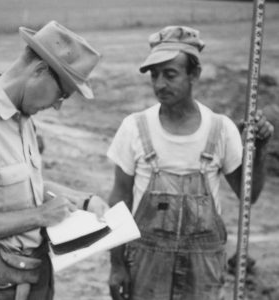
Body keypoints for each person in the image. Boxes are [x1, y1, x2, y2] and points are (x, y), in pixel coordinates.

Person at [108, 26, 274, 300]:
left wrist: (261, 150)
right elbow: (119, 200)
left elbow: (249, 196)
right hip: (147, 265)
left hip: (203, 269)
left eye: (170, 74)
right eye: (154, 75)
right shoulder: (134, 128)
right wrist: (116, 265)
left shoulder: (221, 129)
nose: (160, 84)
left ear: (194, 74)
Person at [0, 20, 109, 300]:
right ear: (39, 71)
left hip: (30, 278)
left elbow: (20, 187)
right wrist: (38, 216)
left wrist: (82, 200)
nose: (58, 105)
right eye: (61, 94)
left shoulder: (23, 117)